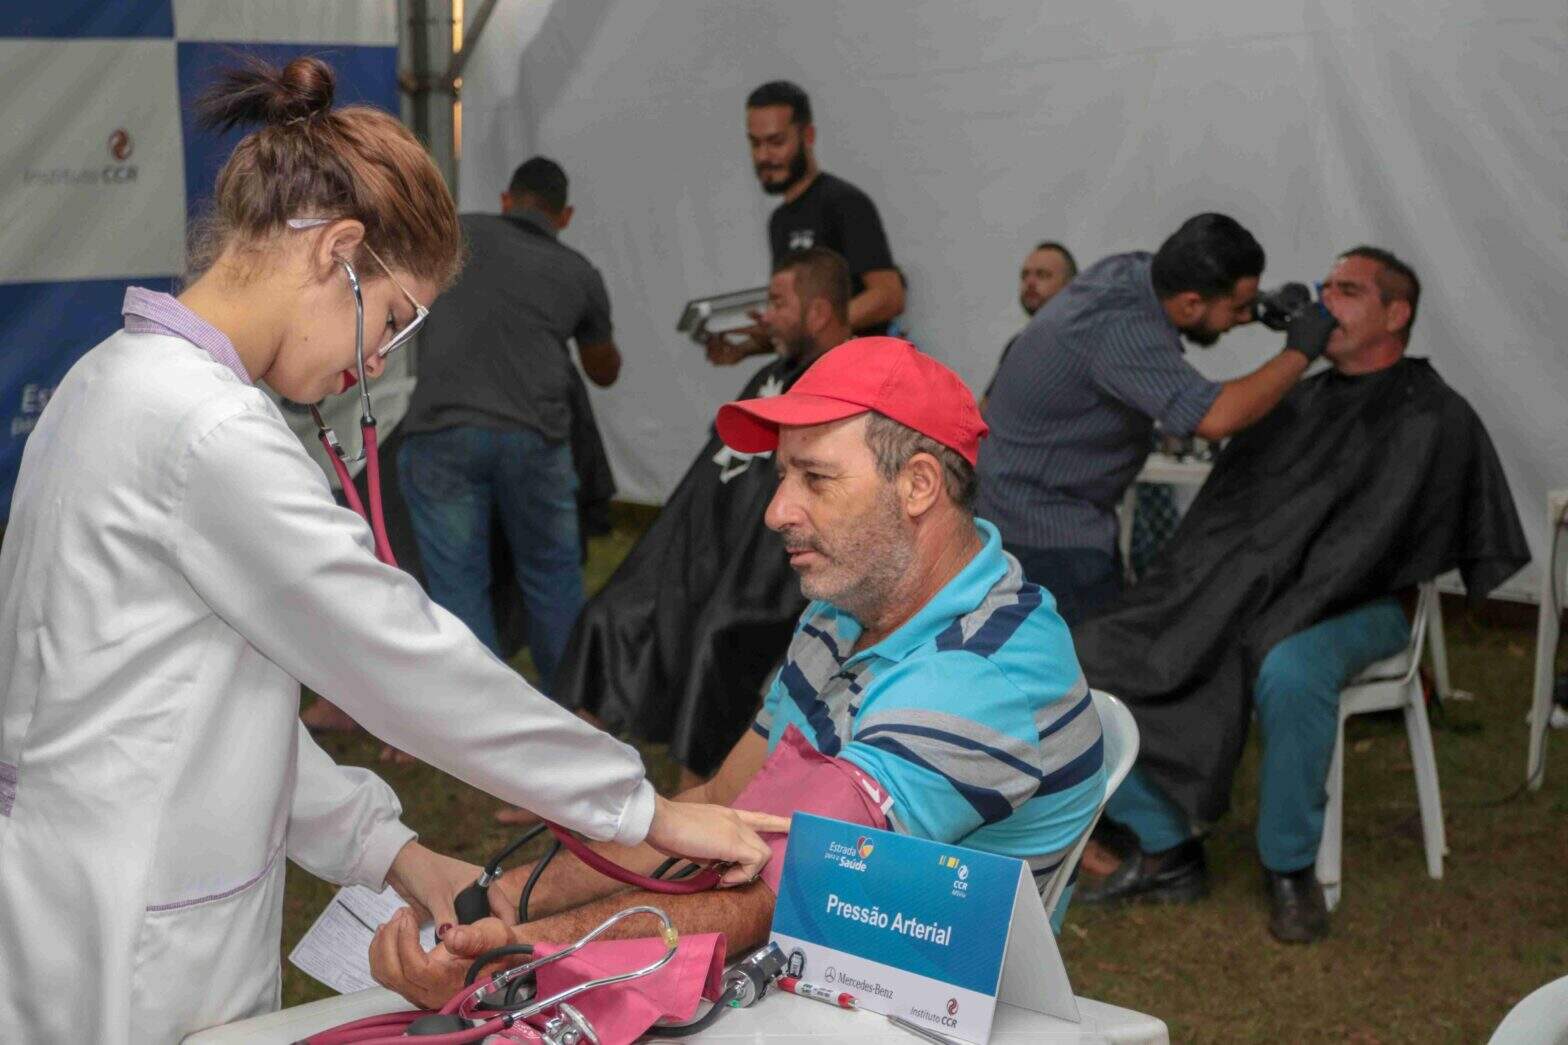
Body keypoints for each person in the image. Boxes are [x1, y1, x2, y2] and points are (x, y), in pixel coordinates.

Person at [0, 58, 781, 1044]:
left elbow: (195, 707)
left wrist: (395, 852)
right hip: (130, 937)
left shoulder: (106, 381)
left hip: (78, 898)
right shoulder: (208, 434)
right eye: (396, 321)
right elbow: (404, 659)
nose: (377, 364)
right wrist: (644, 810)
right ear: (339, 251)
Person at [370, 337, 1107, 1008]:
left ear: (918, 486)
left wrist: (521, 962)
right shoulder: (849, 606)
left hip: (910, 997)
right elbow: (722, 801)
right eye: (783, 475)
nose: (777, 510)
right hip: (820, 963)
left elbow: (778, 898)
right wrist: (499, 903)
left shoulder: (978, 675)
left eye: (815, 478)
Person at [1071, 248, 1529, 943]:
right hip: (1257, 590)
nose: (1324, 304)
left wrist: (1279, 591)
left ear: (1395, 314)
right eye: (1322, 289)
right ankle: (1166, 844)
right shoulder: (1293, 402)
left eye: (1347, 292)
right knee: (1085, 650)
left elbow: (1389, 538)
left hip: (1365, 606)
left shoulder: (1434, 416)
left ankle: (1288, 866)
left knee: (1287, 664)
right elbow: (1234, 523)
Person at [553, 247, 854, 794]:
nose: (766, 316)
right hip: (711, 550)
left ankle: (693, 799)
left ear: (819, 313)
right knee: (614, 611)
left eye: (778, 303)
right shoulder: (772, 372)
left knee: (720, 639)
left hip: (770, 578)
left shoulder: (842, 386)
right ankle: (570, 785)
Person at [976, 213, 1338, 625]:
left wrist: (1257, 307)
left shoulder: (1129, 271)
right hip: (1042, 529)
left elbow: (1197, 308)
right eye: (1236, 308)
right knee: (1083, 673)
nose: (1240, 319)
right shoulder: (1122, 331)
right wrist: (1299, 352)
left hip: (1021, 504)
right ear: (1190, 304)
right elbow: (1216, 417)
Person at [398, 156, 619, 681]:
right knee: (551, 575)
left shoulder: (455, 237)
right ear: (564, 216)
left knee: (458, 583)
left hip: (442, 432)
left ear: (505, 200)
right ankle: (565, 706)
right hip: (533, 440)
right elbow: (603, 370)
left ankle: (480, 714)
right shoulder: (579, 272)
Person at [707, 80, 904, 365]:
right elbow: (799, 324)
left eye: (776, 142)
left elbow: (889, 296)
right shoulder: (779, 221)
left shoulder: (844, 202)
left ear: (807, 135)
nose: (763, 156)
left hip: (857, 375)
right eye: (755, 143)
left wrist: (822, 325)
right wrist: (744, 348)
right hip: (811, 380)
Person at [981, 240, 1079, 408]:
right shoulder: (1018, 345)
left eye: (1042, 275)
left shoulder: (1084, 344)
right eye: (1025, 275)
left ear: (1071, 285)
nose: (1030, 282)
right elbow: (984, 412)